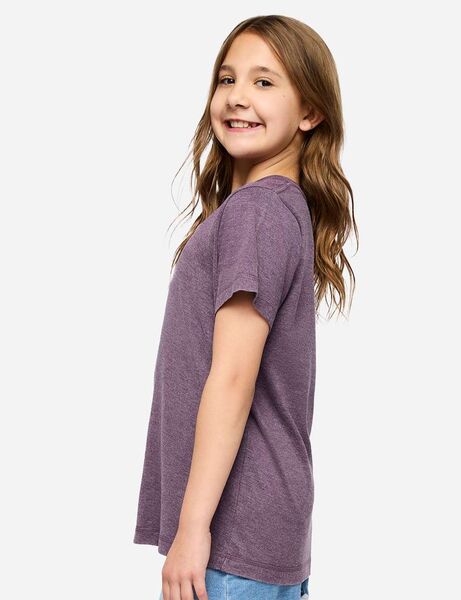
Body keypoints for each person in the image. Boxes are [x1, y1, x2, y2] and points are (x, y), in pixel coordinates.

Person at [133, 14, 356, 600]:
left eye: (264, 82)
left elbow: (233, 377)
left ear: (310, 112)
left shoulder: (256, 213)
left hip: (231, 542)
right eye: (227, 78)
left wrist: (191, 530)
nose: (237, 96)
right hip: (264, 538)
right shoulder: (278, 210)